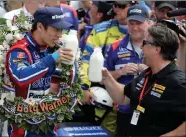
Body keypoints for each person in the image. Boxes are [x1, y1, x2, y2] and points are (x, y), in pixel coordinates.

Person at [102, 23, 186, 136]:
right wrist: (107, 77)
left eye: (145, 43)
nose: (141, 47)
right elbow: (123, 97)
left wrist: (171, 135)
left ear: (157, 49)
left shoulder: (177, 81)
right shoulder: (147, 74)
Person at [5, 7, 74, 137]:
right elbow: (20, 77)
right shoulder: (19, 50)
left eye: (61, 30)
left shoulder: (51, 48)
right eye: (56, 29)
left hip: (48, 121)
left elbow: (57, 77)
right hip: (24, 126)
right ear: (40, 27)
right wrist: (52, 59)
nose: (59, 35)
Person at [80, 1, 135, 135]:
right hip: (106, 99)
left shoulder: (147, 30)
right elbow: (85, 61)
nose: (116, 9)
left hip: (137, 100)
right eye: (115, 5)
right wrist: (83, 87)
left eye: (121, 6)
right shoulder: (100, 30)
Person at [104, 5, 150, 136]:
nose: (135, 28)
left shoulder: (159, 45)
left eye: (139, 23)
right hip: (124, 109)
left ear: (148, 22)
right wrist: (120, 72)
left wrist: (150, 72)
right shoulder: (115, 47)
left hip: (152, 110)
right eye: (131, 23)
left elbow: (173, 73)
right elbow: (103, 77)